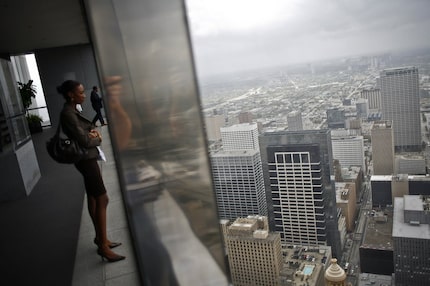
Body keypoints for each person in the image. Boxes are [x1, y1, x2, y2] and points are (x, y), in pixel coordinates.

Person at [57, 80, 125, 263]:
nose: (84, 94)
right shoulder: (68, 113)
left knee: (94, 198)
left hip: (87, 158)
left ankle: (100, 238)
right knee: (103, 198)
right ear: (71, 94)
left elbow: (85, 133)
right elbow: (85, 141)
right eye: (80, 92)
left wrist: (91, 133)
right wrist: (98, 137)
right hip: (86, 160)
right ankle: (103, 246)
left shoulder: (72, 110)